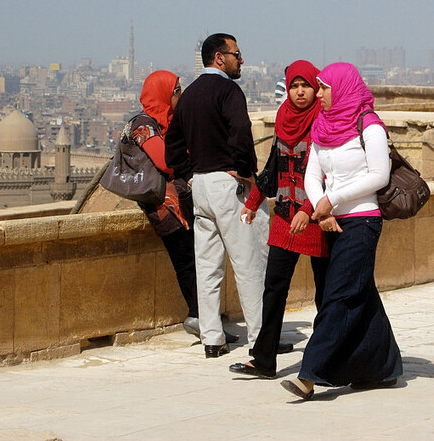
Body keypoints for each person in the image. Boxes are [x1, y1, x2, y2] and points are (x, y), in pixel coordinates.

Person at [280, 62, 402, 400]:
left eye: (323, 88)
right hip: (331, 222)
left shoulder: (370, 126)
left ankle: (311, 373)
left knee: (338, 295)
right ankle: (384, 366)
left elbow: (379, 175)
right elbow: (311, 175)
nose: (318, 94)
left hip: (362, 221)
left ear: (342, 88)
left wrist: (332, 200)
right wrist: (322, 210)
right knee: (360, 293)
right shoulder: (323, 125)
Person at [165, 33, 269, 359]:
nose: (242, 60)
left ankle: (212, 339)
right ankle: (261, 339)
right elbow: (240, 132)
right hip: (228, 185)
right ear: (220, 58)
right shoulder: (229, 90)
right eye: (237, 54)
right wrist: (247, 171)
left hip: (201, 187)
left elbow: (172, 145)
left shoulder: (190, 95)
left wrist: (189, 176)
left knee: (208, 268)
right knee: (249, 263)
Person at [230, 60, 329, 379]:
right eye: (294, 86)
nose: (300, 92)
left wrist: (310, 209)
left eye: (306, 86)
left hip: (317, 218)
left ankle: (324, 356)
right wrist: (252, 202)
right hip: (286, 217)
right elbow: (271, 169)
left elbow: (330, 174)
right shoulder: (284, 119)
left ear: (316, 87)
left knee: (325, 292)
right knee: (273, 287)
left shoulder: (324, 120)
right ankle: (263, 359)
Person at [132, 71, 199, 336]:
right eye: (176, 91)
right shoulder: (144, 125)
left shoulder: (169, 123)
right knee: (186, 262)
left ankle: (203, 319)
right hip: (164, 208)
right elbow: (166, 162)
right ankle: (198, 317)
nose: (180, 95)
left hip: (181, 202)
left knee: (196, 261)